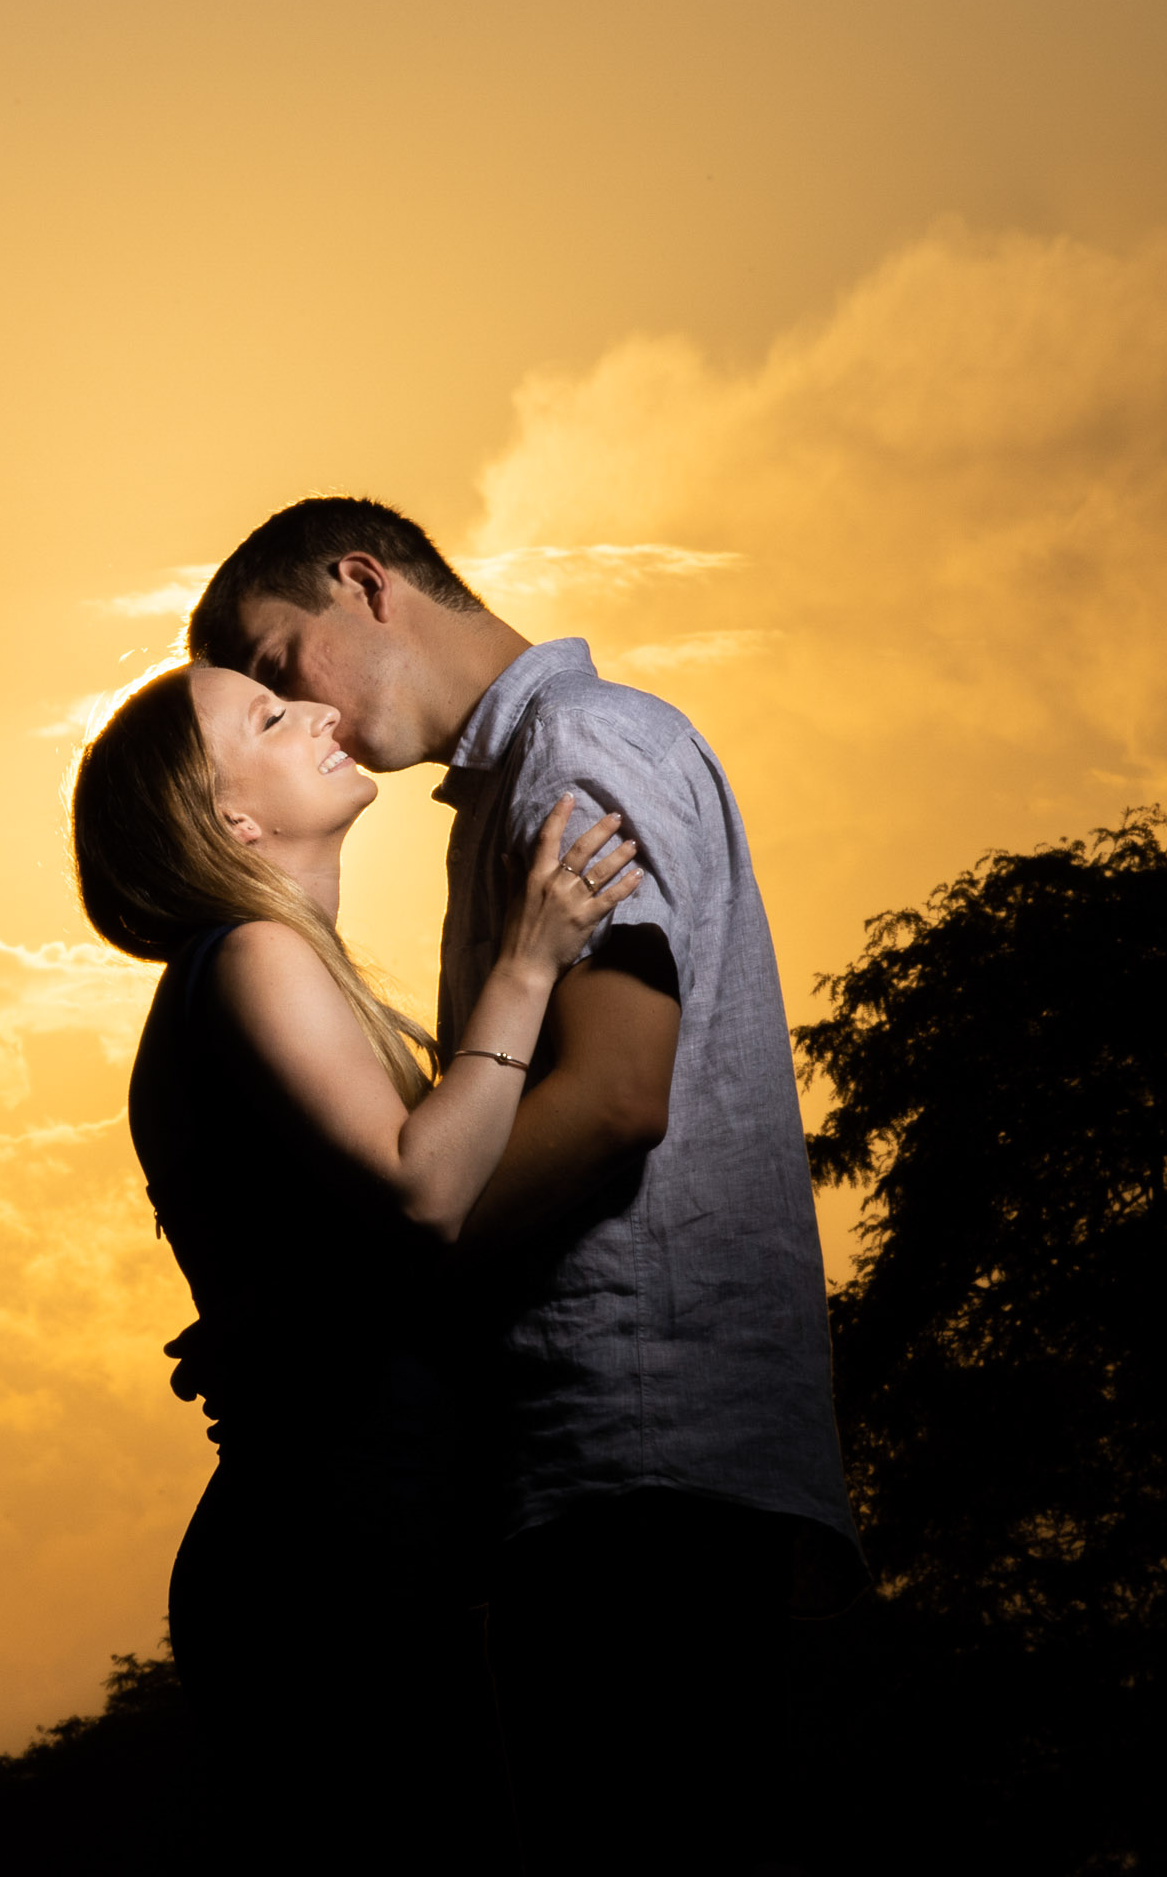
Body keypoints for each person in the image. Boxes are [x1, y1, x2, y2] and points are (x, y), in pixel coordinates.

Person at [185, 496, 859, 1875]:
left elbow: (613, 1096)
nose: (296, 709)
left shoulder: (577, 747)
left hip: (655, 1469)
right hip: (616, 1480)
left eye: (277, 661)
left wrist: (338, 1312)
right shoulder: (519, 780)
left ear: (362, 581)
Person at [71, 659, 644, 1871]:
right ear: (231, 817)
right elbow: (426, 1189)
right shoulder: (250, 955)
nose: (321, 712)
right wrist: (529, 962)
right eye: (270, 717)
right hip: (328, 1554)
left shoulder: (276, 969)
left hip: (352, 1537)